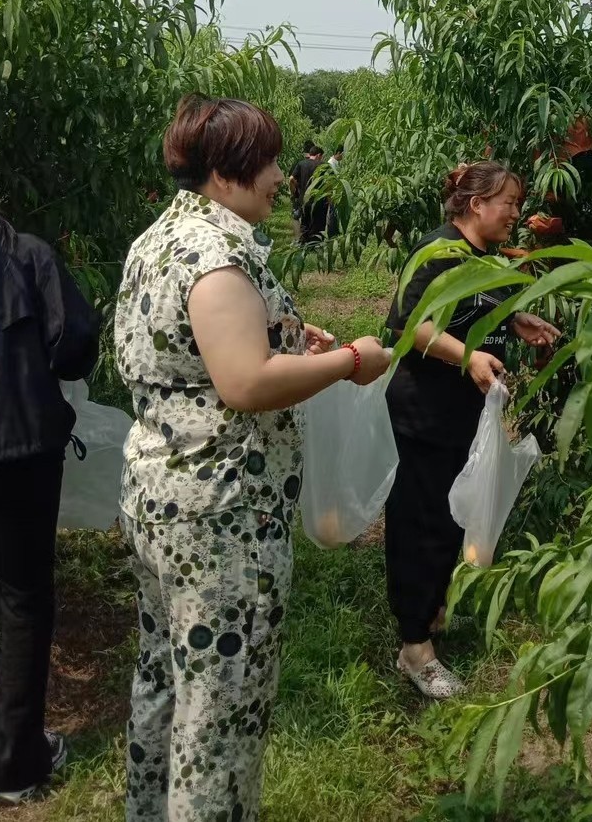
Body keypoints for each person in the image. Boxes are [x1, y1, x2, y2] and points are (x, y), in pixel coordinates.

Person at [114, 96, 391, 822]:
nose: (280, 178)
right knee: (220, 707)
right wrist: (351, 361)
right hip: (221, 516)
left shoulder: (161, 239)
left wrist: (290, 337)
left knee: (166, 677)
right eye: (267, 162)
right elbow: (243, 383)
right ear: (226, 171)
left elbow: (201, 354)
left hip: (160, 495)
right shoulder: (216, 257)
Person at [383, 161, 558, 699]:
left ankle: (431, 612)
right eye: (509, 202)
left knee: (450, 518)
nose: (516, 213)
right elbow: (409, 326)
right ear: (476, 204)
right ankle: (414, 648)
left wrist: (516, 320)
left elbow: (474, 309)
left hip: (462, 413)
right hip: (423, 413)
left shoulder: (484, 258)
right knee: (420, 524)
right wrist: (469, 357)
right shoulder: (437, 251)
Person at [0, 182, 101, 803]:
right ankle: (11, 761)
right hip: (24, 449)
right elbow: (75, 346)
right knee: (22, 596)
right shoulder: (26, 254)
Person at [288, 142, 317, 229]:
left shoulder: (298, 162)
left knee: (299, 219)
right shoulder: (317, 163)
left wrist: (293, 192)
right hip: (313, 195)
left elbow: (291, 179)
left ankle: (300, 234)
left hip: (299, 194)